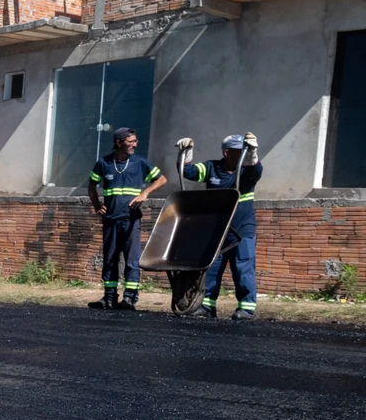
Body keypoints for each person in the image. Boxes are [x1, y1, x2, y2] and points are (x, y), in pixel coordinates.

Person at [180, 133, 263, 320]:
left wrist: (254, 152)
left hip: (242, 230)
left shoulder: (246, 172)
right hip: (217, 230)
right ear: (227, 152)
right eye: (238, 151)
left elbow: (257, 171)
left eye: (244, 151)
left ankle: (246, 309)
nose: (242, 154)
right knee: (212, 268)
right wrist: (187, 152)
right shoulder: (212, 168)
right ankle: (207, 307)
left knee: (243, 268)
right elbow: (189, 172)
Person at [86, 128, 167, 310]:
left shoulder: (139, 163)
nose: (135, 145)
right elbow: (91, 185)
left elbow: (161, 179)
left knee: (132, 260)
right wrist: (97, 206)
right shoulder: (104, 163)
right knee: (110, 259)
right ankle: (109, 297)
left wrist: (145, 193)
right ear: (119, 142)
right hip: (110, 219)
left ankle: (129, 298)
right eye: (131, 141)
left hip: (131, 220)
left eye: (135, 141)